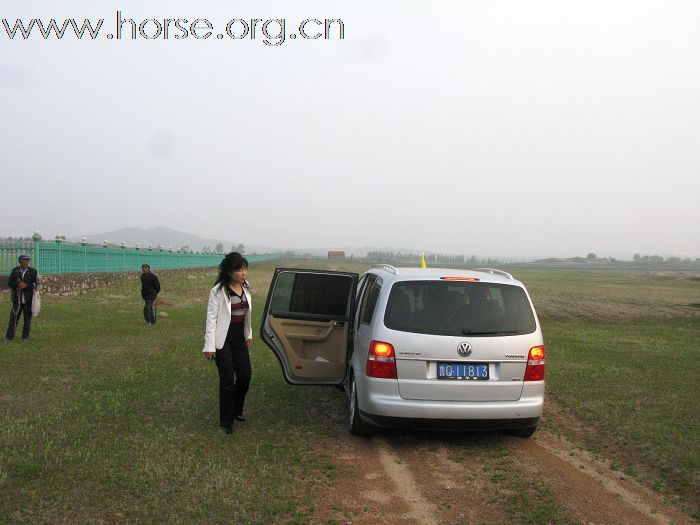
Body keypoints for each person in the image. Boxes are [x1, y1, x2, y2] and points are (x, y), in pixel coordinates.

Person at [203, 252, 252, 434]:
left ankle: (237, 409)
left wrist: (249, 334)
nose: (243, 273)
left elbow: (247, 314)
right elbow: (211, 319)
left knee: (245, 375)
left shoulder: (246, 287)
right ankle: (226, 420)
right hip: (222, 340)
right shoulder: (218, 291)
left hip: (240, 338)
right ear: (230, 271)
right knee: (227, 380)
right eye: (239, 270)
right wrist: (209, 346)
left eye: (245, 269)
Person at [6, 254, 39, 341]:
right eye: (24, 260)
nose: (26, 261)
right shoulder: (15, 270)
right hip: (17, 300)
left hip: (28, 300)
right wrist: (18, 285)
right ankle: (9, 337)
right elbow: (10, 283)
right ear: (20, 261)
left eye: (28, 260)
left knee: (27, 319)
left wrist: (26, 286)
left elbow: (35, 285)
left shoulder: (33, 271)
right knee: (13, 318)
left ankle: (25, 337)